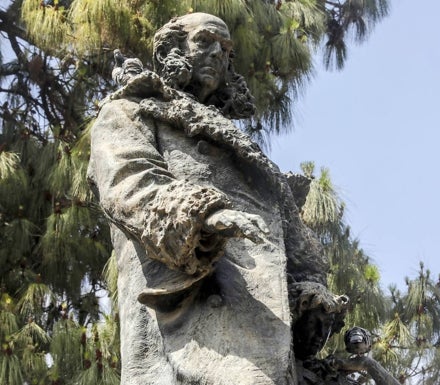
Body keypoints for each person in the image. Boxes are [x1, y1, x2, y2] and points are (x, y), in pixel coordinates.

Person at [88, 13, 327, 385]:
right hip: (185, 314)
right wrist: (203, 215)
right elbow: (129, 182)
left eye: (227, 49)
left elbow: (292, 247)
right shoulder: (129, 111)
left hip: (262, 330)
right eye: (205, 41)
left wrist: (310, 292)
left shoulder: (241, 148)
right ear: (172, 49)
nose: (218, 53)